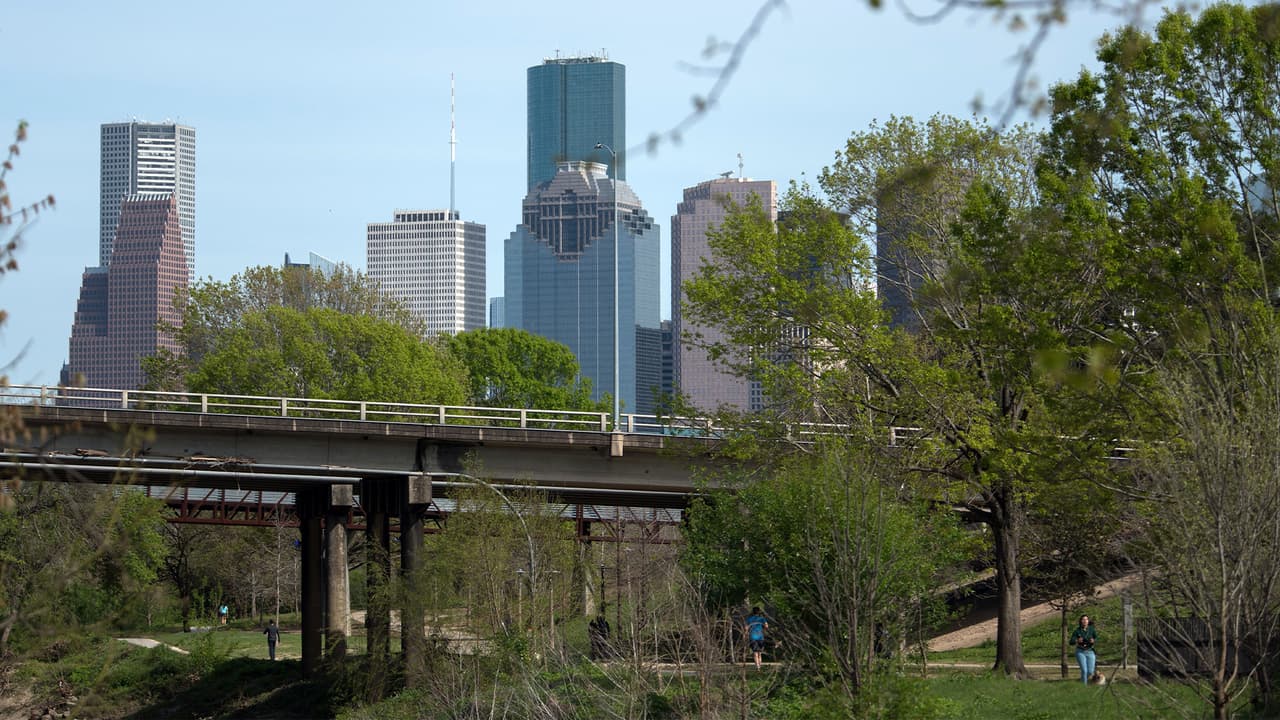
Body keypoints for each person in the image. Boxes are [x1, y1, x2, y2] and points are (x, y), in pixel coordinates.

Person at [1069, 614, 1098, 685]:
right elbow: (1071, 642)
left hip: (1090, 651)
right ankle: (1083, 686)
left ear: (1088, 621)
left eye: (1086, 619)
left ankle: (1089, 684)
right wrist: (1077, 640)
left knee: (1090, 671)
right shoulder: (1077, 631)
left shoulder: (1091, 629)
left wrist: (1093, 640)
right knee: (1084, 670)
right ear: (1080, 621)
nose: (1085, 621)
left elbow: (1096, 638)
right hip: (1080, 652)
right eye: (1083, 619)